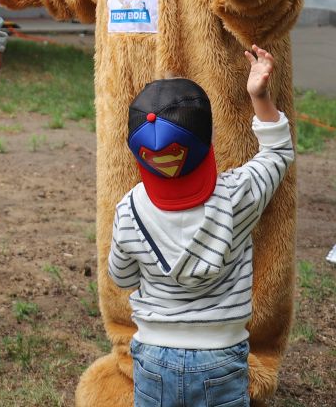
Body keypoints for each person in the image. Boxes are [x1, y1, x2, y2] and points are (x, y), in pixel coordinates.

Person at [107, 46, 295, 407]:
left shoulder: (130, 210)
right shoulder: (236, 196)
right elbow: (277, 152)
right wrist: (259, 95)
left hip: (153, 356)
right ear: (206, 142)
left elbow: (123, 277)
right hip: (221, 356)